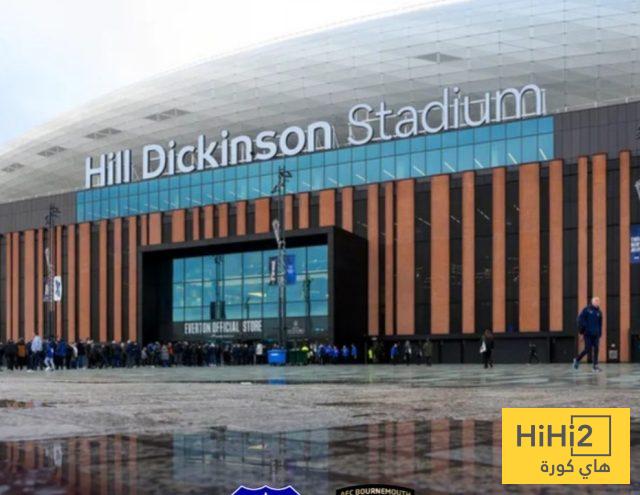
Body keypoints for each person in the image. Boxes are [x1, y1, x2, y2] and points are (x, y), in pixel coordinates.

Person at [573, 296, 603, 372]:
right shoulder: (586, 310)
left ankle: (595, 366)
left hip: (596, 334)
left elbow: (600, 324)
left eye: (598, 301)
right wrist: (583, 329)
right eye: (595, 301)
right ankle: (577, 359)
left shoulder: (599, 312)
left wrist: (600, 333)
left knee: (596, 348)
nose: (597, 302)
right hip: (588, 333)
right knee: (587, 349)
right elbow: (580, 319)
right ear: (592, 302)